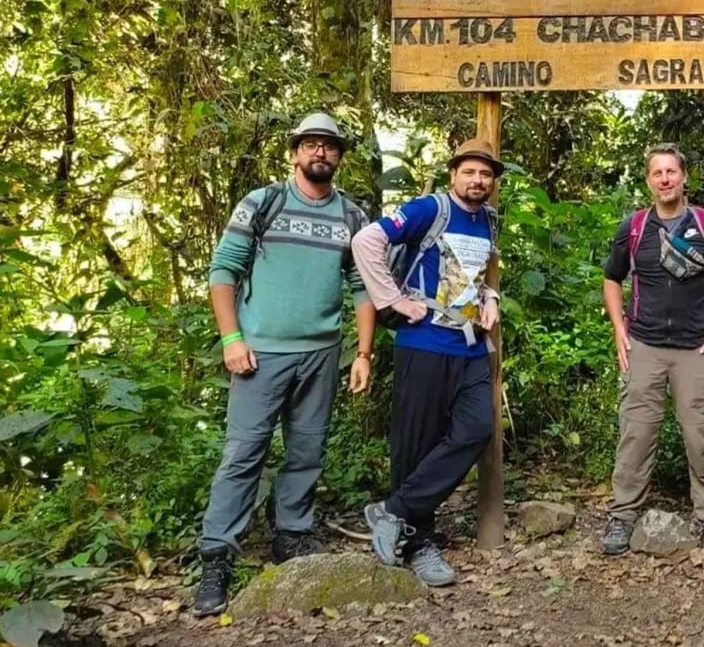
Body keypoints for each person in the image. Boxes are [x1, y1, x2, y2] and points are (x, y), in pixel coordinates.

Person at [192, 113, 376, 617]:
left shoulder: (352, 217)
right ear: (296, 152)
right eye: (311, 145)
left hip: (320, 353)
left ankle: (291, 535)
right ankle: (217, 559)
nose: (321, 153)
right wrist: (231, 337)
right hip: (261, 351)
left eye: (330, 146)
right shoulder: (263, 202)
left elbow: (363, 286)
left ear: (339, 157)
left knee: (307, 449)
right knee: (244, 452)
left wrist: (363, 353)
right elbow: (223, 270)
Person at [351, 139, 503, 587]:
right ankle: (418, 543)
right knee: (414, 444)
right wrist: (392, 299)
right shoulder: (428, 208)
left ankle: (393, 511)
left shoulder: (489, 219)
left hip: (472, 346)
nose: (478, 180)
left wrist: (490, 297)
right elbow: (367, 241)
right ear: (454, 173)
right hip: (424, 342)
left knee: (477, 428)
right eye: (470, 172)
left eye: (486, 174)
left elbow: (475, 274)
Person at [599, 143, 704, 557]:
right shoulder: (635, 227)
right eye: (657, 173)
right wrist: (618, 326)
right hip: (645, 345)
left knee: (699, 435)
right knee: (636, 432)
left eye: (671, 171)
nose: (665, 179)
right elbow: (612, 278)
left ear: (683, 175)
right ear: (648, 181)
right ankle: (623, 514)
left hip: (695, 348)